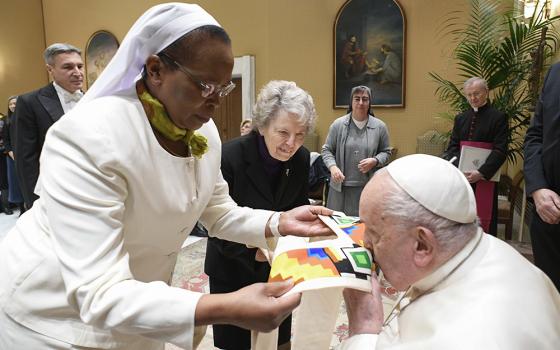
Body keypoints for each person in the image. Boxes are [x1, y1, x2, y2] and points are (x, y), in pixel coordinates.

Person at [0, 4, 332, 350]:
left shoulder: (204, 132)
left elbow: (218, 211)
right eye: (205, 85)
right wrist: (225, 306)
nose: (215, 101)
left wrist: (279, 222)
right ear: (155, 70)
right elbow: (97, 291)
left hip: (136, 301)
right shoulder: (89, 137)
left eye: (223, 89)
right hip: (53, 315)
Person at [338, 154, 560, 349]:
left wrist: (362, 331)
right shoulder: (488, 248)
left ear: (422, 245)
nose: (364, 242)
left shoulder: (468, 337)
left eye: (374, 233)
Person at [205, 80, 316, 350]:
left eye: (300, 134)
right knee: (237, 344)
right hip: (233, 270)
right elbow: (217, 222)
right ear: (263, 125)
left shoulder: (301, 159)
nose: (291, 144)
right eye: (283, 132)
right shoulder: (228, 156)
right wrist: (257, 252)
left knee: (278, 341)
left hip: (277, 270)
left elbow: (297, 206)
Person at [14, 43, 84, 209]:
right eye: (68, 67)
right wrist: (34, 203)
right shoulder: (29, 102)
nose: (77, 72)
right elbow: (25, 159)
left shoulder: (94, 99)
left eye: (80, 66)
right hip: (53, 191)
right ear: (50, 70)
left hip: (91, 188)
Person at [442, 77, 507, 236]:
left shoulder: (498, 117)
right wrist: (458, 169)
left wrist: (482, 172)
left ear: (486, 92)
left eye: (477, 93)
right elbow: (453, 147)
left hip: (485, 178)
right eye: (469, 95)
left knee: (484, 218)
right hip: (462, 178)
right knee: (460, 218)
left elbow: (500, 150)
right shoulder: (461, 118)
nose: (473, 98)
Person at [321, 85, 391, 216]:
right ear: (351, 102)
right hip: (339, 189)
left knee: (363, 229)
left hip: (367, 187)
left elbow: (387, 152)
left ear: (369, 103)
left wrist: (375, 161)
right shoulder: (338, 125)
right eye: (357, 98)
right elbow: (327, 150)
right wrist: (333, 167)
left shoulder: (380, 127)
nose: (361, 103)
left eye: (365, 99)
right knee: (337, 228)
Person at [524, 62, 560, 291]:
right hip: (547, 210)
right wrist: (537, 188)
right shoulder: (555, 72)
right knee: (550, 292)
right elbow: (535, 135)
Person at [3, 96, 25, 215]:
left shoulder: (25, 117)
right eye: (11, 104)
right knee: (15, 183)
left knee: (27, 181)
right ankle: (21, 208)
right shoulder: (6, 120)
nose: (13, 106)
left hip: (26, 154)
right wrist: (11, 153)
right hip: (12, 157)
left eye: (15, 103)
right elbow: (5, 140)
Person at [0, 112, 12, 215]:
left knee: (7, 179)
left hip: (6, 152)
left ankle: (9, 204)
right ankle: (5, 206)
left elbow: (6, 135)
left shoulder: (3, 118)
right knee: (3, 179)